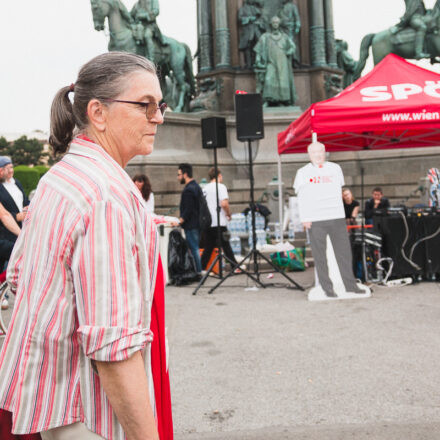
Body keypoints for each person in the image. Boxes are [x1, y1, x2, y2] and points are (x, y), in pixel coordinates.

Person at [0, 52, 172, 440]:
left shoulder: (59, 177)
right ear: (98, 112)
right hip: (89, 414)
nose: (158, 117)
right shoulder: (106, 197)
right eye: (145, 105)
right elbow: (114, 348)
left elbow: (17, 274)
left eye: (159, 105)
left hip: (51, 405)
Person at [294, 141, 364, 298]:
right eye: (314, 152)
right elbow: (302, 197)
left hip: (336, 216)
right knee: (320, 255)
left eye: (321, 151)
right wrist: (305, 218)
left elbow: (340, 190)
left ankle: (350, 285)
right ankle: (327, 288)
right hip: (316, 218)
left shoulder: (335, 168)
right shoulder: (303, 172)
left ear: (325, 152)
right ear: (309, 154)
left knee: (344, 253)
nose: (318, 155)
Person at [201, 167, 238, 272]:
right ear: (219, 175)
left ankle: (201, 268)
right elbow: (224, 203)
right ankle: (234, 266)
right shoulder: (221, 187)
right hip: (219, 221)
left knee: (208, 247)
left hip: (208, 221)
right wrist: (228, 213)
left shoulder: (205, 189)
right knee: (226, 245)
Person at [254, 16, 297, 106]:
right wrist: (258, 60)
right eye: (273, 22)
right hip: (271, 62)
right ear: (271, 24)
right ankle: (268, 100)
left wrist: (289, 51)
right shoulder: (265, 36)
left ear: (279, 24)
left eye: (277, 22)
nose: (275, 24)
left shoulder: (284, 37)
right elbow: (259, 49)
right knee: (268, 79)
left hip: (282, 62)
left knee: (282, 80)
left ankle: (283, 101)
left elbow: (292, 46)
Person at [173, 163, 203, 274]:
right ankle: (198, 270)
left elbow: (188, 209)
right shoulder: (196, 186)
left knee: (194, 248)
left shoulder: (189, 190)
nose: (178, 177)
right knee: (195, 247)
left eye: (179, 174)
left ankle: (198, 272)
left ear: (185, 174)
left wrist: (180, 221)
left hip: (191, 224)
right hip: (197, 223)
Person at [0, 156, 29, 243]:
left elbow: (25, 200)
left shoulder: (16, 182)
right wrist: (16, 216)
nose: (11, 171)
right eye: (7, 168)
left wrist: (28, 206)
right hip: (6, 235)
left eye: (11, 167)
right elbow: (3, 214)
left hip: (22, 227)